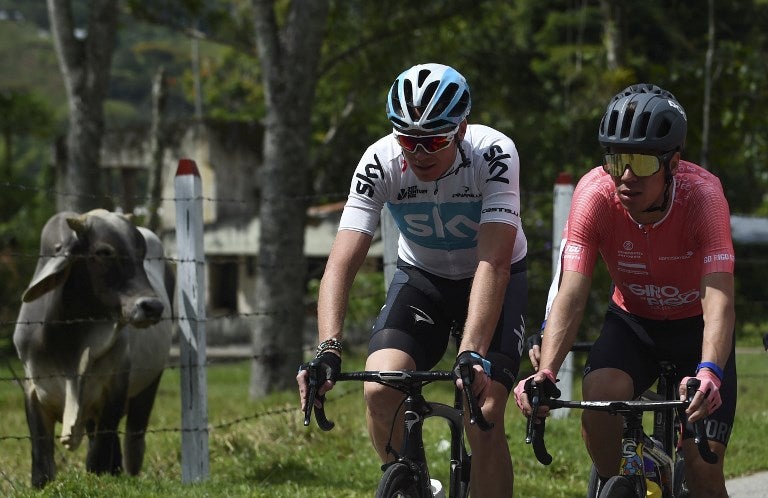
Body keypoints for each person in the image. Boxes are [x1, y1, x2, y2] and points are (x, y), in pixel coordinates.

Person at [297, 63, 528, 497]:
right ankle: (414, 483)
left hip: (495, 277)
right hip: (424, 279)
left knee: (483, 408)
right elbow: (341, 263)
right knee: (379, 389)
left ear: (461, 130)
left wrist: (472, 352)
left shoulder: (494, 152)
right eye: (407, 140)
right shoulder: (380, 160)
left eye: (434, 140)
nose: (419, 152)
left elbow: (494, 262)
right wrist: (328, 346)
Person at [514, 83, 736, 498]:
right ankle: (630, 477)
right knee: (598, 399)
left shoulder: (703, 197)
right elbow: (572, 290)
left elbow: (718, 296)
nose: (626, 177)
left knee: (704, 472)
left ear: (673, 163)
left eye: (641, 162)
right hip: (634, 324)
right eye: (617, 160)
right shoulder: (595, 193)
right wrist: (545, 369)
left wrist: (710, 372)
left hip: (696, 329)